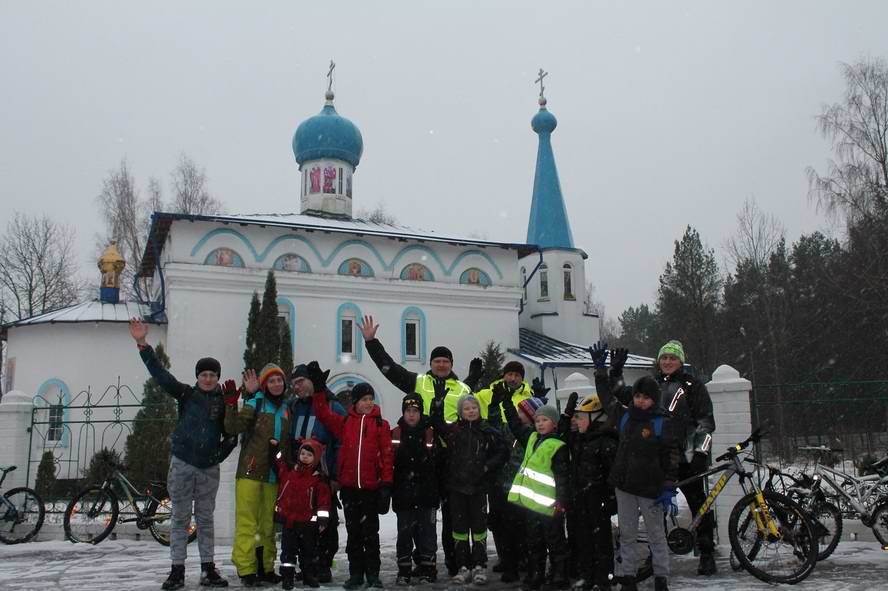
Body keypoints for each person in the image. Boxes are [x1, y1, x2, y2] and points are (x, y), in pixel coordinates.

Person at [358, 314, 481, 574]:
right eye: (437, 360)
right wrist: (371, 343)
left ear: (451, 364)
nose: (441, 364)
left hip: (451, 460)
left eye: (445, 361)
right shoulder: (418, 382)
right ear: (431, 363)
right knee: (419, 516)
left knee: (452, 516)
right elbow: (388, 368)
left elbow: (474, 415)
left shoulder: (461, 388)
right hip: (421, 460)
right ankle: (420, 560)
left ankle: (453, 563)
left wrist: (474, 380)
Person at [597, 340, 717, 576]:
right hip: (656, 459)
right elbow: (623, 394)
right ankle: (656, 558)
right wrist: (616, 372)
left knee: (699, 506)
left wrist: (701, 453)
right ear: (659, 361)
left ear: (681, 360)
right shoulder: (652, 385)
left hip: (686, 458)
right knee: (656, 511)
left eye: (673, 358)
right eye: (664, 358)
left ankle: (706, 553)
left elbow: (706, 422)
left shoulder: (693, 385)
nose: (668, 362)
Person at [129, 319, 232, 590]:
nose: (208, 378)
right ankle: (177, 570)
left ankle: (208, 569)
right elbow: (162, 377)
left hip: (208, 469)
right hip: (183, 464)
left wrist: (217, 455)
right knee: (180, 519)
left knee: (206, 520)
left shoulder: (224, 403)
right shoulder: (186, 394)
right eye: (204, 374)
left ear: (217, 378)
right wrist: (143, 345)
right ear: (198, 377)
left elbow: (232, 433)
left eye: (212, 375)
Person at [596, 370, 681, 591]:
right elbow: (606, 398)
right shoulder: (624, 415)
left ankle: (661, 577)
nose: (640, 401)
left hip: (650, 488)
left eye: (645, 397)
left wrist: (669, 485)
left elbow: (671, 455)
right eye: (637, 396)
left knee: (656, 535)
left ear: (654, 399)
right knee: (627, 534)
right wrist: (600, 374)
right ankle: (628, 577)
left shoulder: (662, 422)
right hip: (624, 485)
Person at [312, 379, 394, 589]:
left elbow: (386, 456)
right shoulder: (344, 423)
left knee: (370, 535)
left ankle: (373, 573)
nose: (367, 403)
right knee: (353, 534)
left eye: (370, 399)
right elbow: (322, 414)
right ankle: (356, 573)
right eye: (363, 399)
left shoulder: (380, 425)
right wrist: (319, 390)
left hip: (370, 490)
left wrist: (386, 485)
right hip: (349, 490)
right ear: (355, 402)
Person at [494, 385, 570, 591]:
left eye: (544, 420)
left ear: (554, 424)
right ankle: (535, 574)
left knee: (555, 542)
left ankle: (558, 574)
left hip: (551, 506)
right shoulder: (532, 438)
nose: (540, 423)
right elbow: (515, 425)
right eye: (537, 420)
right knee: (534, 542)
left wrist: (561, 502)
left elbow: (562, 478)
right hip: (532, 505)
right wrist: (507, 403)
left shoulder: (558, 446)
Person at [430, 391, 508, 586]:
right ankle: (463, 566)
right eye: (466, 408)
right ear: (460, 412)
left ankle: (479, 565)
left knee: (479, 528)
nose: (471, 411)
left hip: (479, 488)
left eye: (474, 407)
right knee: (459, 529)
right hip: (457, 488)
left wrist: (487, 466)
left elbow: (502, 451)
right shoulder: (454, 431)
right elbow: (438, 425)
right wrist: (437, 405)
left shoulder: (486, 430)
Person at [225, 364, 291, 587]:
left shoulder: (286, 409)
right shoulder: (255, 403)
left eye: (279, 380)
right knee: (247, 523)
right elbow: (232, 427)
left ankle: (265, 567)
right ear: (264, 385)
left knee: (267, 526)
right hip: (250, 473)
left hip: (273, 475)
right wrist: (232, 403)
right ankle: (246, 569)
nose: (276, 384)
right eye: (271, 381)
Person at [288, 361, 347, 583]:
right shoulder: (294, 406)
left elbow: (342, 442)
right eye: (293, 384)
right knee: (304, 525)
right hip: (301, 479)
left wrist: (335, 475)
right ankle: (308, 564)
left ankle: (324, 565)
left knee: (326, 524)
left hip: (324, 478)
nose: (297, 387)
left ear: (312, 381)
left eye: (301, 382)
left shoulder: (331, 405)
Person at [558, 393, 618, 591]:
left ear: (596, 418)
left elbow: (613, 474)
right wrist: (566, 415)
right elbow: (562, 436)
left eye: (580, 417)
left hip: (597, 500)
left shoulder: (606, 442)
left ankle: (603, 580)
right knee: (583, 540)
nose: (577, 421)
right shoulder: (581, 439)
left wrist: (610, 499)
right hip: (580, 499)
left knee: (601, 542)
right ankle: (586, 576)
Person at [391, 393, 440, 585]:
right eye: (408, 411)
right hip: (403, 493)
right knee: (404, 533)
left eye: (415, 411)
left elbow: (438, 462)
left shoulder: (429, 433)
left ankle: (428, 567)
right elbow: (389, 462)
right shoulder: (395, 433)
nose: (411, 415)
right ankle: (404, 568)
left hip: (426, 493)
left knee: (427, 532)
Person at [271, 438, 332, 590]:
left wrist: (323, 521)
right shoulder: (290, 472)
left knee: (308, 552)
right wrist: (276, 449)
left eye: (309, 455)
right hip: (290, 522)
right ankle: (287, 576)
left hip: (308, 524)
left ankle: (308, 575)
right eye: (303, 453)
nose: (304, 456)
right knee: (288, 552)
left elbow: (323, 503)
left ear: (316, 458)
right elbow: (279, 463)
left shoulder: (318, 480)